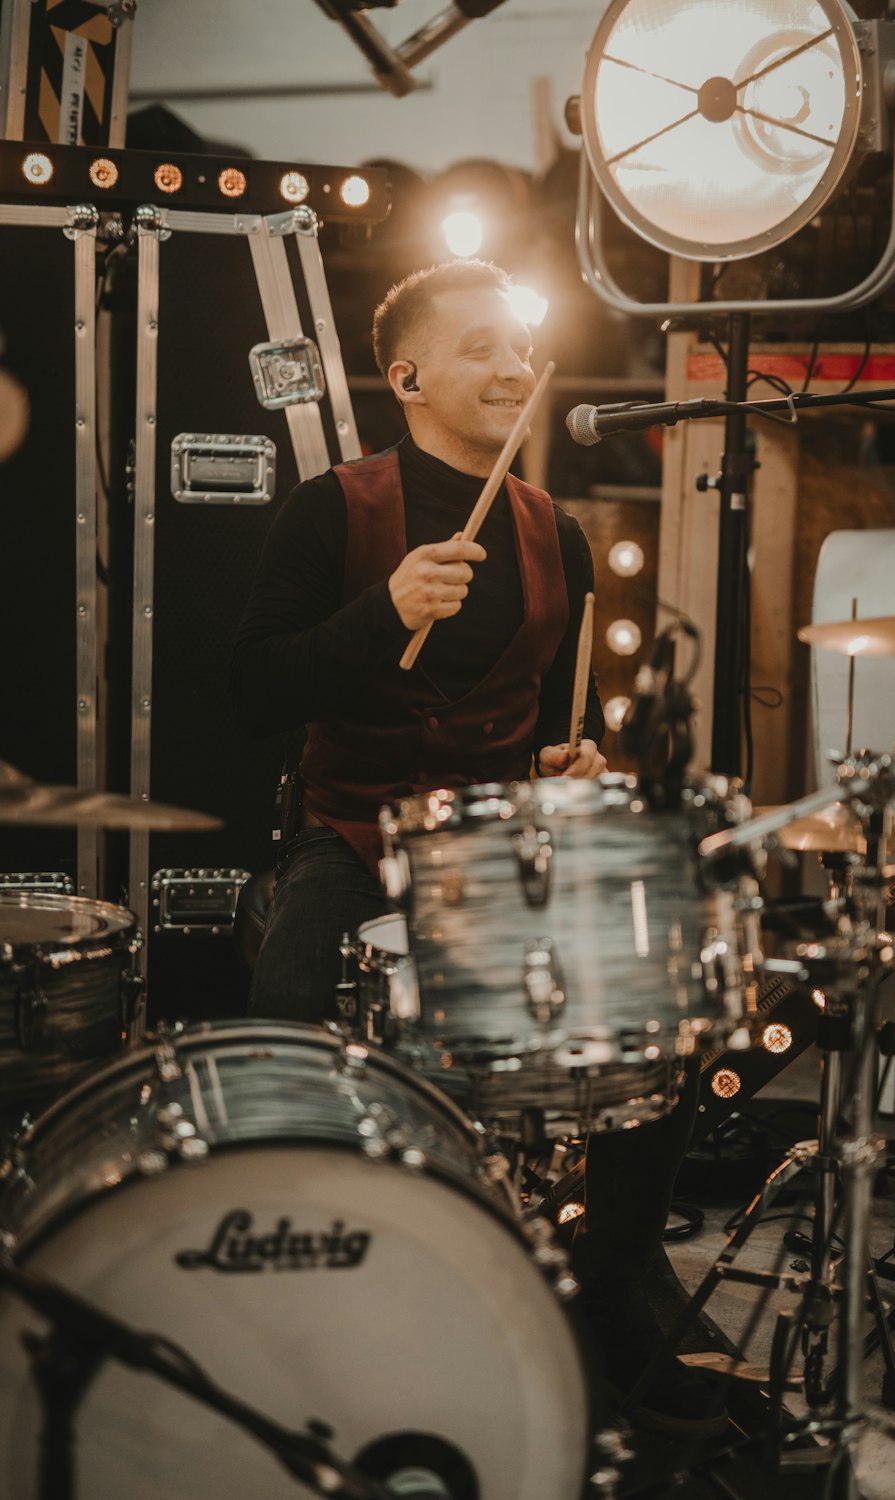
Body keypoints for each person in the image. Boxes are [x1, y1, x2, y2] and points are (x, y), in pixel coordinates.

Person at [231, 259, 723, 1438]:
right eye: (478, 350)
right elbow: (250, 692)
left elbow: (560, 722)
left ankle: (614, 1275)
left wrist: (574, 767)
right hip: (352, 828)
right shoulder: (331, 509)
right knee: (289, 1010)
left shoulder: (556, 528)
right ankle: (297, 1305)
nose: (513, 369)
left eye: (520, 346)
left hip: (494, 843)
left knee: (656, 1005)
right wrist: (380, 614)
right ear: (405, 377)